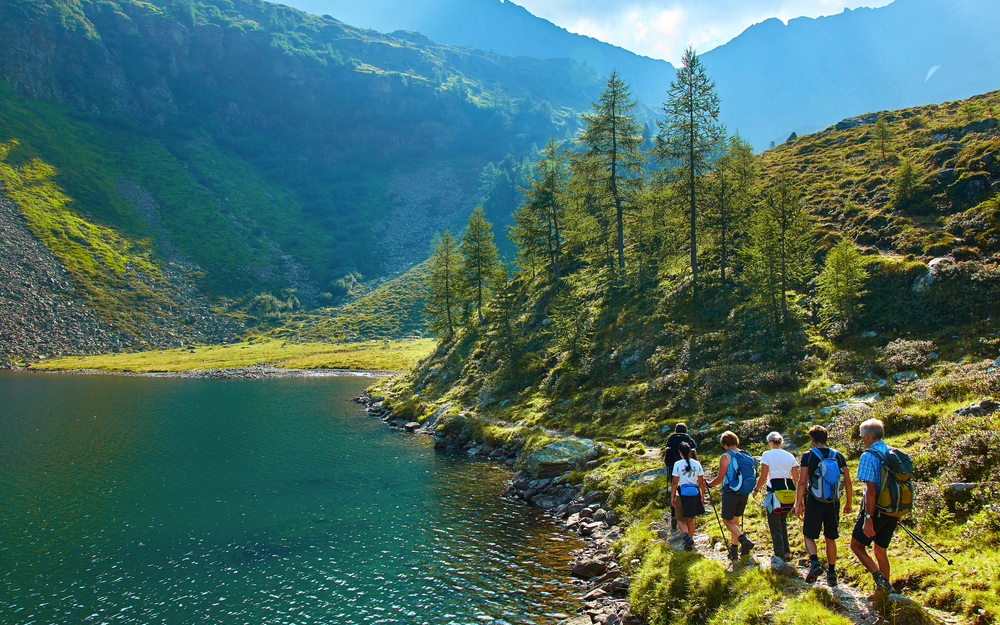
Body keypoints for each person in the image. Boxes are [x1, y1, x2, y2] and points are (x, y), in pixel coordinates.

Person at [795, 425, 852, 587]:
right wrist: (848, 501)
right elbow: (847, 480)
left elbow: (802, 481)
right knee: (830, 537)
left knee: (809, 534)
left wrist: (798, 502)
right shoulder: (838, 456)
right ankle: (832, 573)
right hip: (834, 501)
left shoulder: (808, 456)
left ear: (813, 439)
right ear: (827, 438)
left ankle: (815, 563)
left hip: (815, 500)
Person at [849, 418, 898, 602]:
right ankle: (883, 593)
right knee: (880, 550)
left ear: (867, 436)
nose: (862, 440)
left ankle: (881, 581)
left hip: (875, 510)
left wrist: (868, 517)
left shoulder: (869, 456)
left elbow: (871, 489)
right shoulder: (892, 453)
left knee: (856, 545)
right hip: (892, 510)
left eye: (862, 437)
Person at [705, 431, 755, 561]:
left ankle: (744, 541)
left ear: (726, 444)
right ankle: (734, 550)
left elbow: (720, 477)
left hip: (730, 491)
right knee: (735, 521)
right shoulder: (745, 455)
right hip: (744, 491)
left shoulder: (726, 456)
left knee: (727, 522)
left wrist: (709, 485)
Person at [752, 431, 799, 561]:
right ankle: (787, 551)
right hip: (789, 494)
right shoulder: (790, 456)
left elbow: (763, 476)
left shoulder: (767, 455)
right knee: (783, 522)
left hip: (774, 494)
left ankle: (779, 555)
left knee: (774, 524)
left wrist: (756, 490)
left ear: (770, 442)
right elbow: (796, 478)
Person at [670, 442, 707, 551]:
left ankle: (686, 537)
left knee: (680, 518)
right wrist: (702, 495)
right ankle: (690, 540)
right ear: (690, 452)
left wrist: (673, 496)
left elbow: (674, 482)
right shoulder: (697, 464)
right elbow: (701, 482)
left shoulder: (677, 464)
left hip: (682, 494)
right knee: (691, 519)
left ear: (680, 452)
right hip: (694, 493)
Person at [663, 423, 698, 532]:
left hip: (674, 471)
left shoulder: (671, 439)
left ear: (676, 430)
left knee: (675, 495)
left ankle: (675, 517)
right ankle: (689, 517)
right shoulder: (688, 439)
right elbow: (694, 451)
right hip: (688, 472)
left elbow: (666, 460)